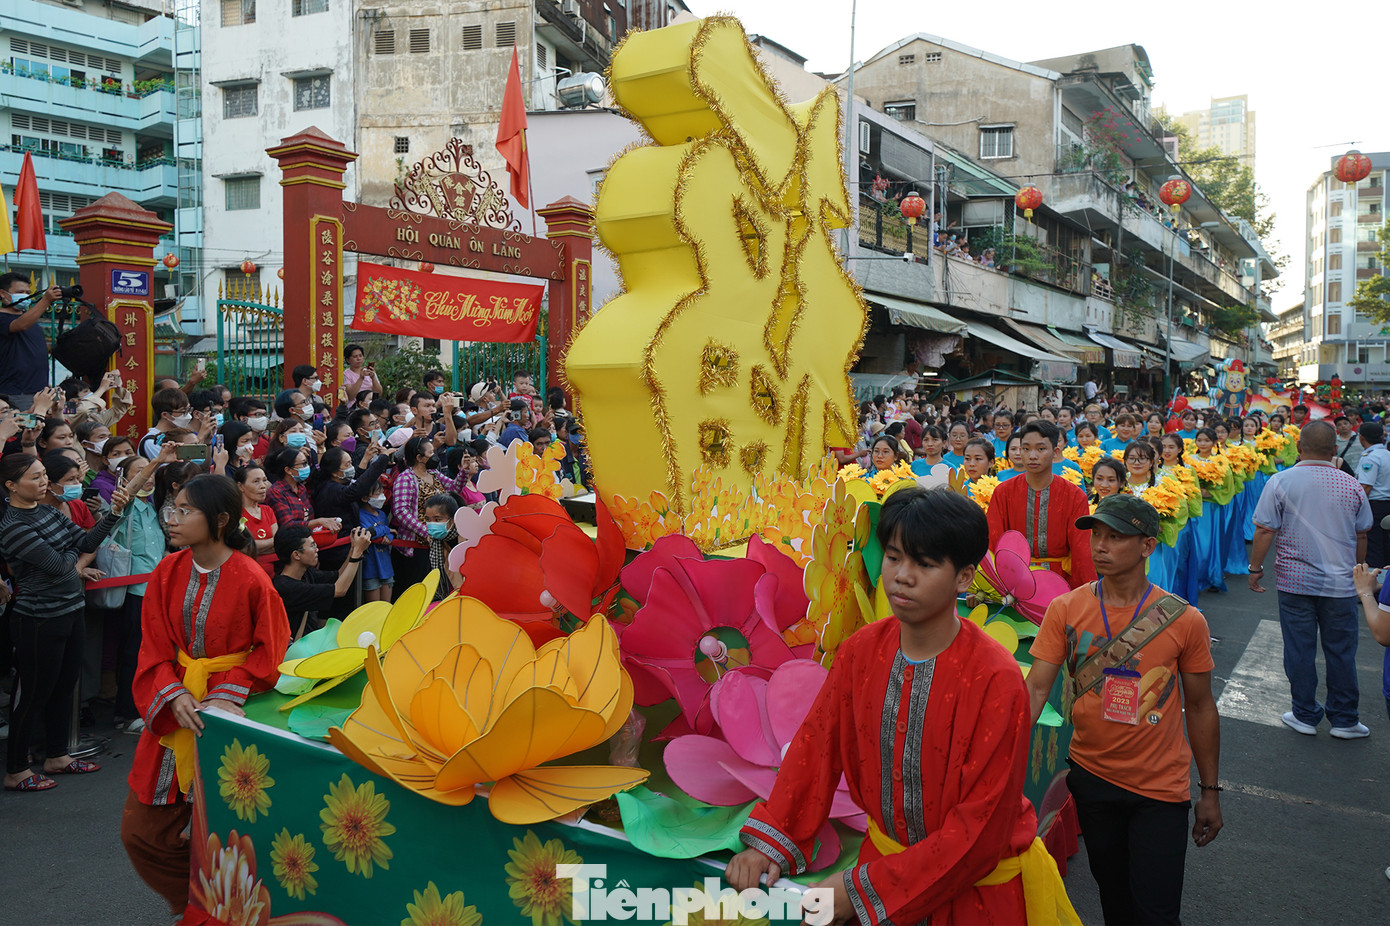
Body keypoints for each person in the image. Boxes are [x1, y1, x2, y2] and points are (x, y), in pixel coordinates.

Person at [725, 487, 1077, 925]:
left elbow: (982, 826)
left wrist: (860, 892)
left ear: (964, 577)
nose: (902, 576)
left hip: (975, 895)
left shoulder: (996, 679)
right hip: (883, 862)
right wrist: (771, 841)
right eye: (893, 558)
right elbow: (817, 746)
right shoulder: (860, 651)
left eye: (925, 564)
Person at [1026, 494, 1221, 926]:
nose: (1100, 546)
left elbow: (1202, 707)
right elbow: (1036, 689)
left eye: (1116, 537)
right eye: (1096, 536)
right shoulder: (1066, 608)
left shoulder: (1185, 621)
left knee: (1156, 912)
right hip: (1092, 778)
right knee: (1114, 900)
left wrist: (1210, 792)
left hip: (1161, 789)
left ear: (1147, 546)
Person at [122, 474, 290, 916]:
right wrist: (173, 693)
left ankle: (226, 910)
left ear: (219, 520)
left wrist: (227, 695)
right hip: (175, 707)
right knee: (141, 832)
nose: (171, 520)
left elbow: (270, 650)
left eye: (184, 511)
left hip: (232, 715)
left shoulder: (252, 577)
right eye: (170, 510)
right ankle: (193, 904)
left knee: (229, 834)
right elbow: (153, 644)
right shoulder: (166, 570)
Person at [0, 453, 131, 791]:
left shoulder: (46, 511)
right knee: (32, 694)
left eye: (44, 475)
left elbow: (86, 541)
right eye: (35, 477)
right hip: (38, 618)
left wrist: (114, 513)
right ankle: (16, 770)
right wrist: (74, 557)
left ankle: (57, 755)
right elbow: (60, 568)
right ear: (11, 486)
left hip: (71, 608)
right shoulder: (13, 525)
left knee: (64, 687)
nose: (43, 482)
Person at [1250, 420, 1373, 738]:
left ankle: (1304, 714)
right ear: (1334, 450)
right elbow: (1362, 533)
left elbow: (1265, 529)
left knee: (1299, 649)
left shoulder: (1281, 481)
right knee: (1341, 650)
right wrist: (1359, 569)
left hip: (1295, 582)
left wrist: (1255, 568)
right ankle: (1345, 719)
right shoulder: (1351, 484)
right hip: (1341, 584)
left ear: (1299, 448)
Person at [987, 421, 1096, 588]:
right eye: (1026, 449)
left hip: (1061, 584)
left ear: (1056, 452)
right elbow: (993, 545)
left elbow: (1082, 551)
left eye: (1041, 449)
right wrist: (988, 588)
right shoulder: (1003, 493)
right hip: (1013, 582)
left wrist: (1087, 591)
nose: (1032, 455)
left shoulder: (1074, 496)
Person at [272, 525, 373, 636]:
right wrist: (358, 552)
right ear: (296, 555)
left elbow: (338, 576)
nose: (317, 550)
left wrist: (353, 548)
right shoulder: (286, 588)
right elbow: (339, 590)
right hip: (294, 651)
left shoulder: (305, 573)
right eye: (312, 546)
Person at [0, 274, 63, 409]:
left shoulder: (30, 320)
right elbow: (19, 325)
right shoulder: (4, 318)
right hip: (15, 393)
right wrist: (45, 300)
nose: (25, 295)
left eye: (28, 292)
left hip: (39, 392)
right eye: (19, 292)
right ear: (2, 293)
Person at [1356, 421, 1390, 568]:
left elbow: (1365, 487)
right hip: (1387, 504)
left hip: (1375, 506)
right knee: (1386, 545)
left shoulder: (1370, 457)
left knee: (1374, 546)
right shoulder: (1386, 454)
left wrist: (1357, 509)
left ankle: (1375, 584)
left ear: (1361, 437)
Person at [358, 482, 394, 602]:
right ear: (364, 498)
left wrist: (389, 535)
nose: (382, 496)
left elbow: (390, 533)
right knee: (374, 610)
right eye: (377, 494)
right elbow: (370, 532)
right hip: (371, 568)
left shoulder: (382, 514)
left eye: (382, 492)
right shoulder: (360, 515)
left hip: (386, 566)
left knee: (386, 607)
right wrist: (386, 530)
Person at [422, 494, 461, 602]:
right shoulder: (433, 540)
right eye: (428, 519)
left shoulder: (465, 540)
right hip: (444, 597)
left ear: (453, 520)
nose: (431, 524)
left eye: (437, 519)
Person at [236, 463, 278, 557]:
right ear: (240, 486)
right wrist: (272, 542)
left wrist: (254, 547)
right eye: (256, 481)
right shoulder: (236, 513)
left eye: (265, 480)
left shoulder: (268, 510)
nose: (263, 486)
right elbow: (244, 548)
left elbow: (278, 544)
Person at [138, 388, 193, 459]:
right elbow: (176, 468)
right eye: (183, 411)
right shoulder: (151, 442)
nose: (187, 415)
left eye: (188, 410)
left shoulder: (184, 434)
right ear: (165, 415)